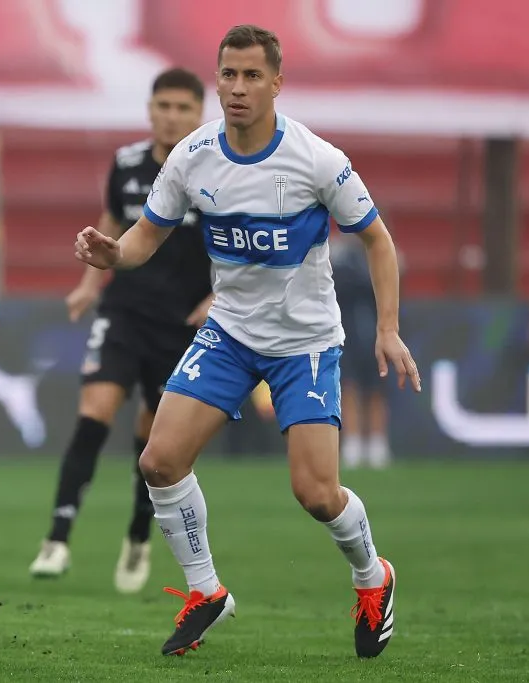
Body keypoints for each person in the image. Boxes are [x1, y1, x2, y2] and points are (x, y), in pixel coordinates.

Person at [74, 25, 420, 659]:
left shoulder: (316, 159)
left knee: (316, 494)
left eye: (252, 76)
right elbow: (145, 236)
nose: (237, 88)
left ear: (277, 84)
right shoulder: (193, 155)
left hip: (305, 343)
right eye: (228, 75)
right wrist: (112, 254)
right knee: (158, 461)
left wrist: (389, 329)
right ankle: (206, 591)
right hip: (230, 333)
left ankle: (373, 576)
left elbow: (378, 239)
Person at [29, 68, 213, 594]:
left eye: (183, 107)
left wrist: (217, 297)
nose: (172, 116)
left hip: (180, 324)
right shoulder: (128, 163)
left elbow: (233, 241)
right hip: (124, 312)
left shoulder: (215, 170)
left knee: (152, 439)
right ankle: (57, 539)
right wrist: (90, 284)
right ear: (150, 110)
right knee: (94, 413)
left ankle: (137, 535)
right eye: (164, 106)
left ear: (199, 114)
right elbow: (112, 220)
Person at [330, 233, 392, 468]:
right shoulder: (341, 257)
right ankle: (353, 442)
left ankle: (377, 443)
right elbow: (340, 284)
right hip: (347, 336)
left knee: (377, 390)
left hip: (377, 336)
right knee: (349, 388)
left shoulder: (381, 254)